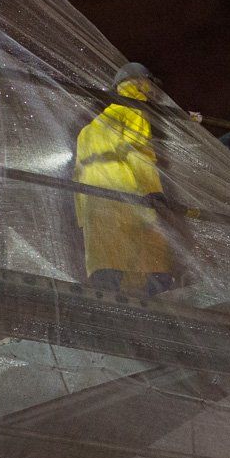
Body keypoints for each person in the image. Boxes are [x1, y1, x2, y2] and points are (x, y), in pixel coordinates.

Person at [73, 62, 176, 295]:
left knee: (106, 259)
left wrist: (82, 216)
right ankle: (154, 299)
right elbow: (139, 153)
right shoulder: (133, 112)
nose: (152, 92)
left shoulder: (88, 129)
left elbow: (76, 174)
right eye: (149, 85)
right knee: (149, 249)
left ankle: (106, 303)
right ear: (140, 82)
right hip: (126, 194)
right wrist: (153, 191)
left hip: (94, 201)